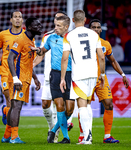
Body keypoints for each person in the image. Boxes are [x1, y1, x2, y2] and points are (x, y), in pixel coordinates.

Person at [77, 19, 129, 143]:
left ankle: (107, 136)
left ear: (101, 30)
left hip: (101, 79)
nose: (95, 29)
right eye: (93, 27)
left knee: (109, 103)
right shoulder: (82, 42)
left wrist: (122, 74)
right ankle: (82, 135)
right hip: (86, 78)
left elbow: (113, 61)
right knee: (84, 106)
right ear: (89, 29)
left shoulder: (105, 44)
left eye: (98, 27)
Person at [60, 10, 105, 145]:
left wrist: (62, 78)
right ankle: (87, 136)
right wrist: (102, 74)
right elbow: (101, 56)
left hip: (79, 74)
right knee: (87, 104)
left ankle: (87, 138)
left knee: (82, 105)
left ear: (73, 20)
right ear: (85, 20)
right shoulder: (94, 34)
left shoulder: (69, 35)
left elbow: (65, 58)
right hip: (93, 73)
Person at [31, 15, 74, 144]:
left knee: (70, 109)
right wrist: (37, 50)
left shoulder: (72, 39)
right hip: (55, 75)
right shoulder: (51, 38)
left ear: (66, 27)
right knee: (59, 106)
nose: (55, 28)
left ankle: (54, 129)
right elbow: (43, 51)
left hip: (71, 75)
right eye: (55, 25)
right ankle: (66, 138)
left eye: (59, 26)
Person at [3, 17, 42, 144]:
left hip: (25, 78)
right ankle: (14, 137)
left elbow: (27, 62)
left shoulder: (31, 42)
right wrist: (15, 79)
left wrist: (35, 78)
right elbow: (10, 58)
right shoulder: (20, 39)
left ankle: (7, 136)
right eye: (37, 25)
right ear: (30, 27)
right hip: (18, 79)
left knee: (15, 106)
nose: (40, 26)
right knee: (16, 106)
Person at [0, 10, 24, 125]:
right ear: (11, 20)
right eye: (15, 17)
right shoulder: (3, 34)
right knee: (7, 94)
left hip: (18, 71)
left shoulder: (26, 35)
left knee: (13, 101)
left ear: (22, 20)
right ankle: (11, 130)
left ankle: (6, 112)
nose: (18, 19)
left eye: (20, 17)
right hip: (5, 69)